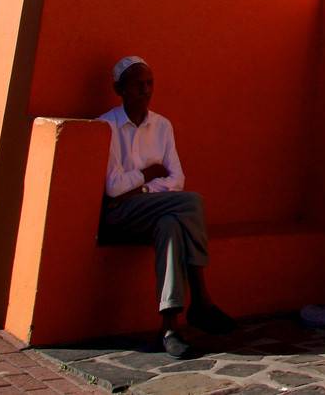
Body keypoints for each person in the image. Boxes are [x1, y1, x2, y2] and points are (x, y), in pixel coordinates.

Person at [100, 55, 236, 358]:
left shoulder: (162, 126)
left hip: (154, 209)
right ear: (119, 89)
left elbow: (177, 178)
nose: (145, 90)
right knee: (193, 202)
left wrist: (143, 187)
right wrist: (149, 173)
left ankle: (170, 326)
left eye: (149, 83)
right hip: (119, 215)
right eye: (137, 85)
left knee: (171, 224)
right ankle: (201, 298)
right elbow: (113, 189)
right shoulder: (105, 127)